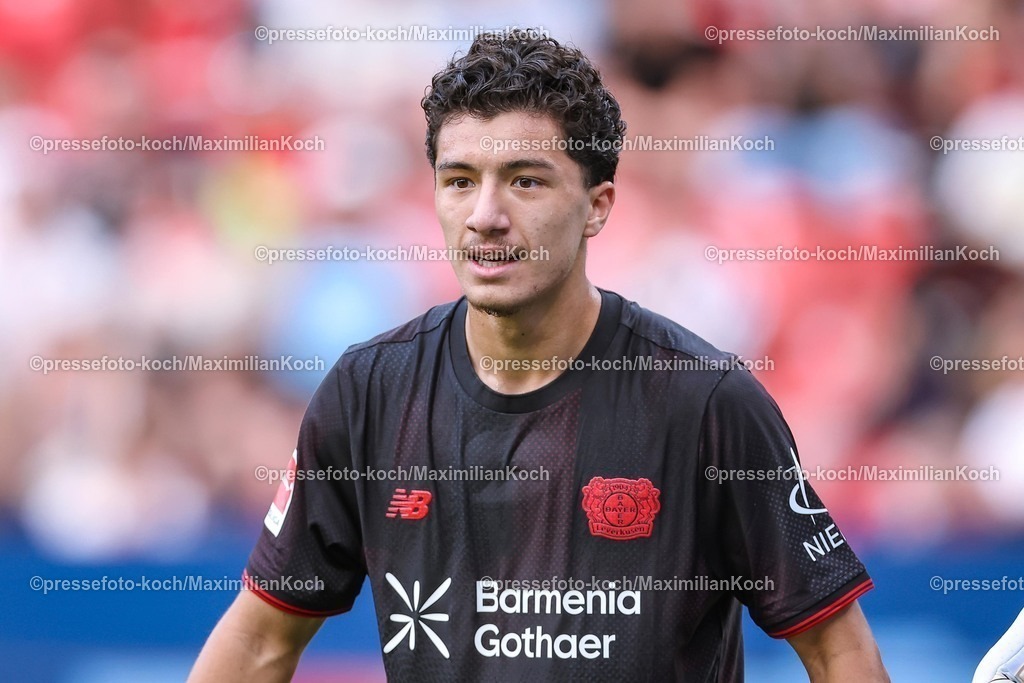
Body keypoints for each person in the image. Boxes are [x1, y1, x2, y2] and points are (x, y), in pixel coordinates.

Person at [189, 30, 889, 682]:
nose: (485, 214)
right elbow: (259, 641)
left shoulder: (706, 402)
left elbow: (836, 648)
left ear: (598, 206)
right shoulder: (369, 391)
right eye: (460, 179)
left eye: (526, 180)